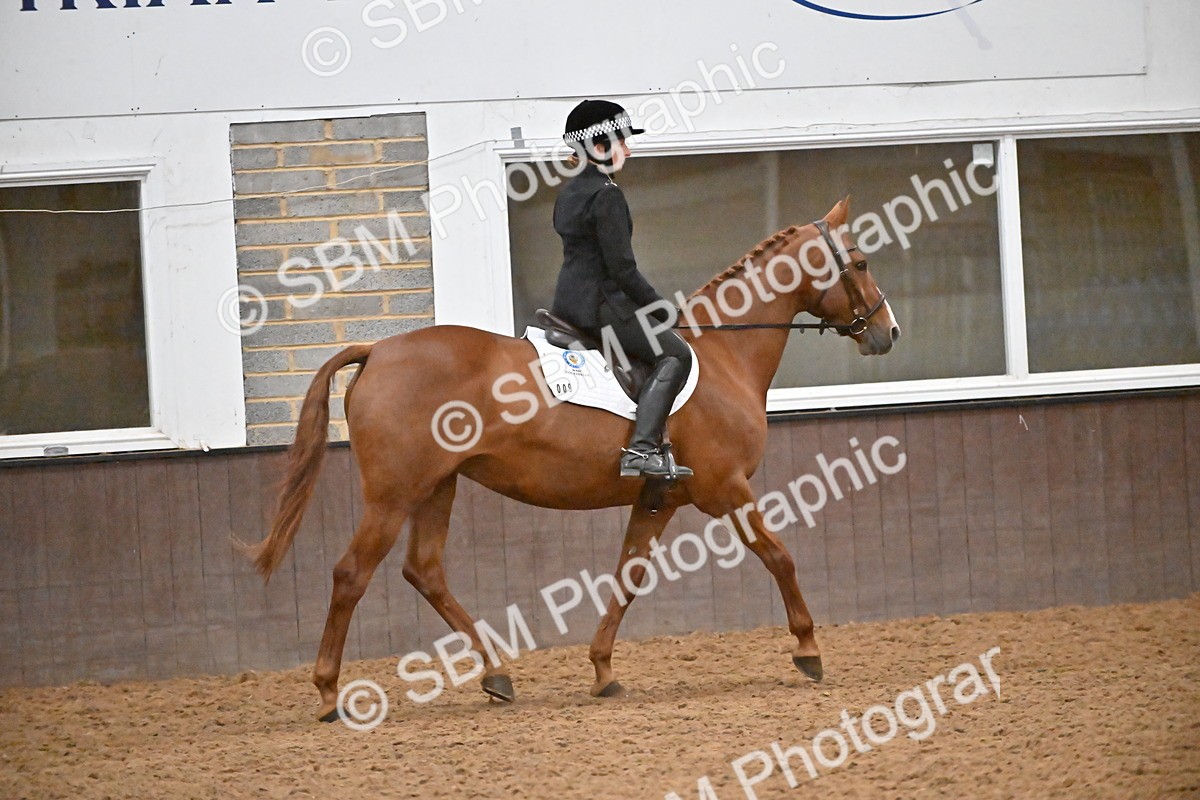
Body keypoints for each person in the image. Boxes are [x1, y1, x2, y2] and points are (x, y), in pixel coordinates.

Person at [549, 99, 694, 480]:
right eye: (622, 142)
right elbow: (622, 269)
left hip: (568, 300)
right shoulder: (606, 194)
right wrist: (661, 306)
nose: (628, 150)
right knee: (676, 355)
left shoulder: (569, 192)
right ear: (599, 147)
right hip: (599, 304)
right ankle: (641, 450)